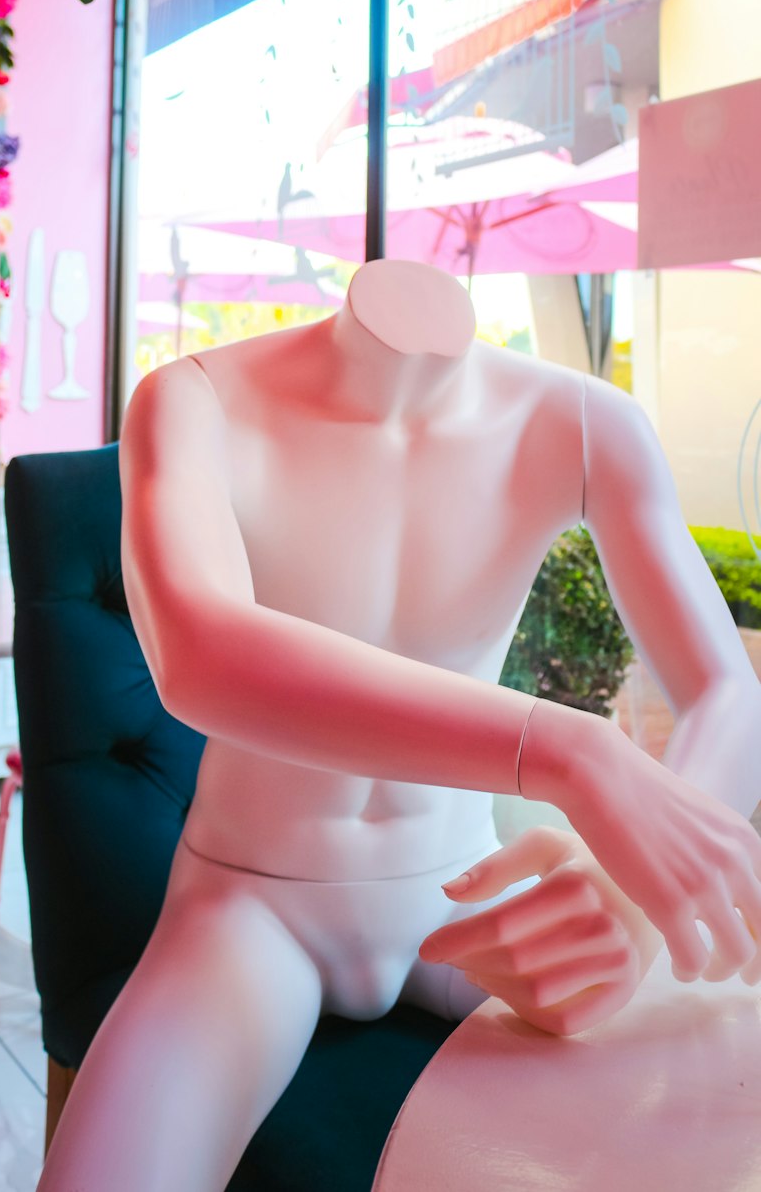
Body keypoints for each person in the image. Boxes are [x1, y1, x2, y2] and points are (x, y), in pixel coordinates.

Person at [39, 259, 761, 1192]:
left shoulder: (584, 423)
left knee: (704, 1132)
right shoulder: (192, 401)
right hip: (253, 907)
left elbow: (728, 690)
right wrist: (572, 752)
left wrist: (632, 905)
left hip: (461, 893)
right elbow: (200, 653)